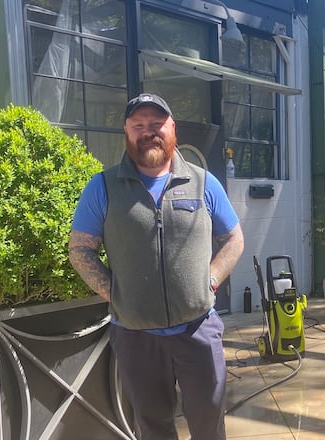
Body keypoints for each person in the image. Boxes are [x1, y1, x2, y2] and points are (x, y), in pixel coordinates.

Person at [68, 93, 244, 440]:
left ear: (172, 128)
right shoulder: (102, 187)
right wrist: (116, 295)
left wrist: (210, 279)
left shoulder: (204, 183)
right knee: (153, 429)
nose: (149, 131)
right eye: (139, 125)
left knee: (210, 426)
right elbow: (80, 250)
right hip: (136, 338)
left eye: (157, 124)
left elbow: (234, 239)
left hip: (198, 332)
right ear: (127, 132)